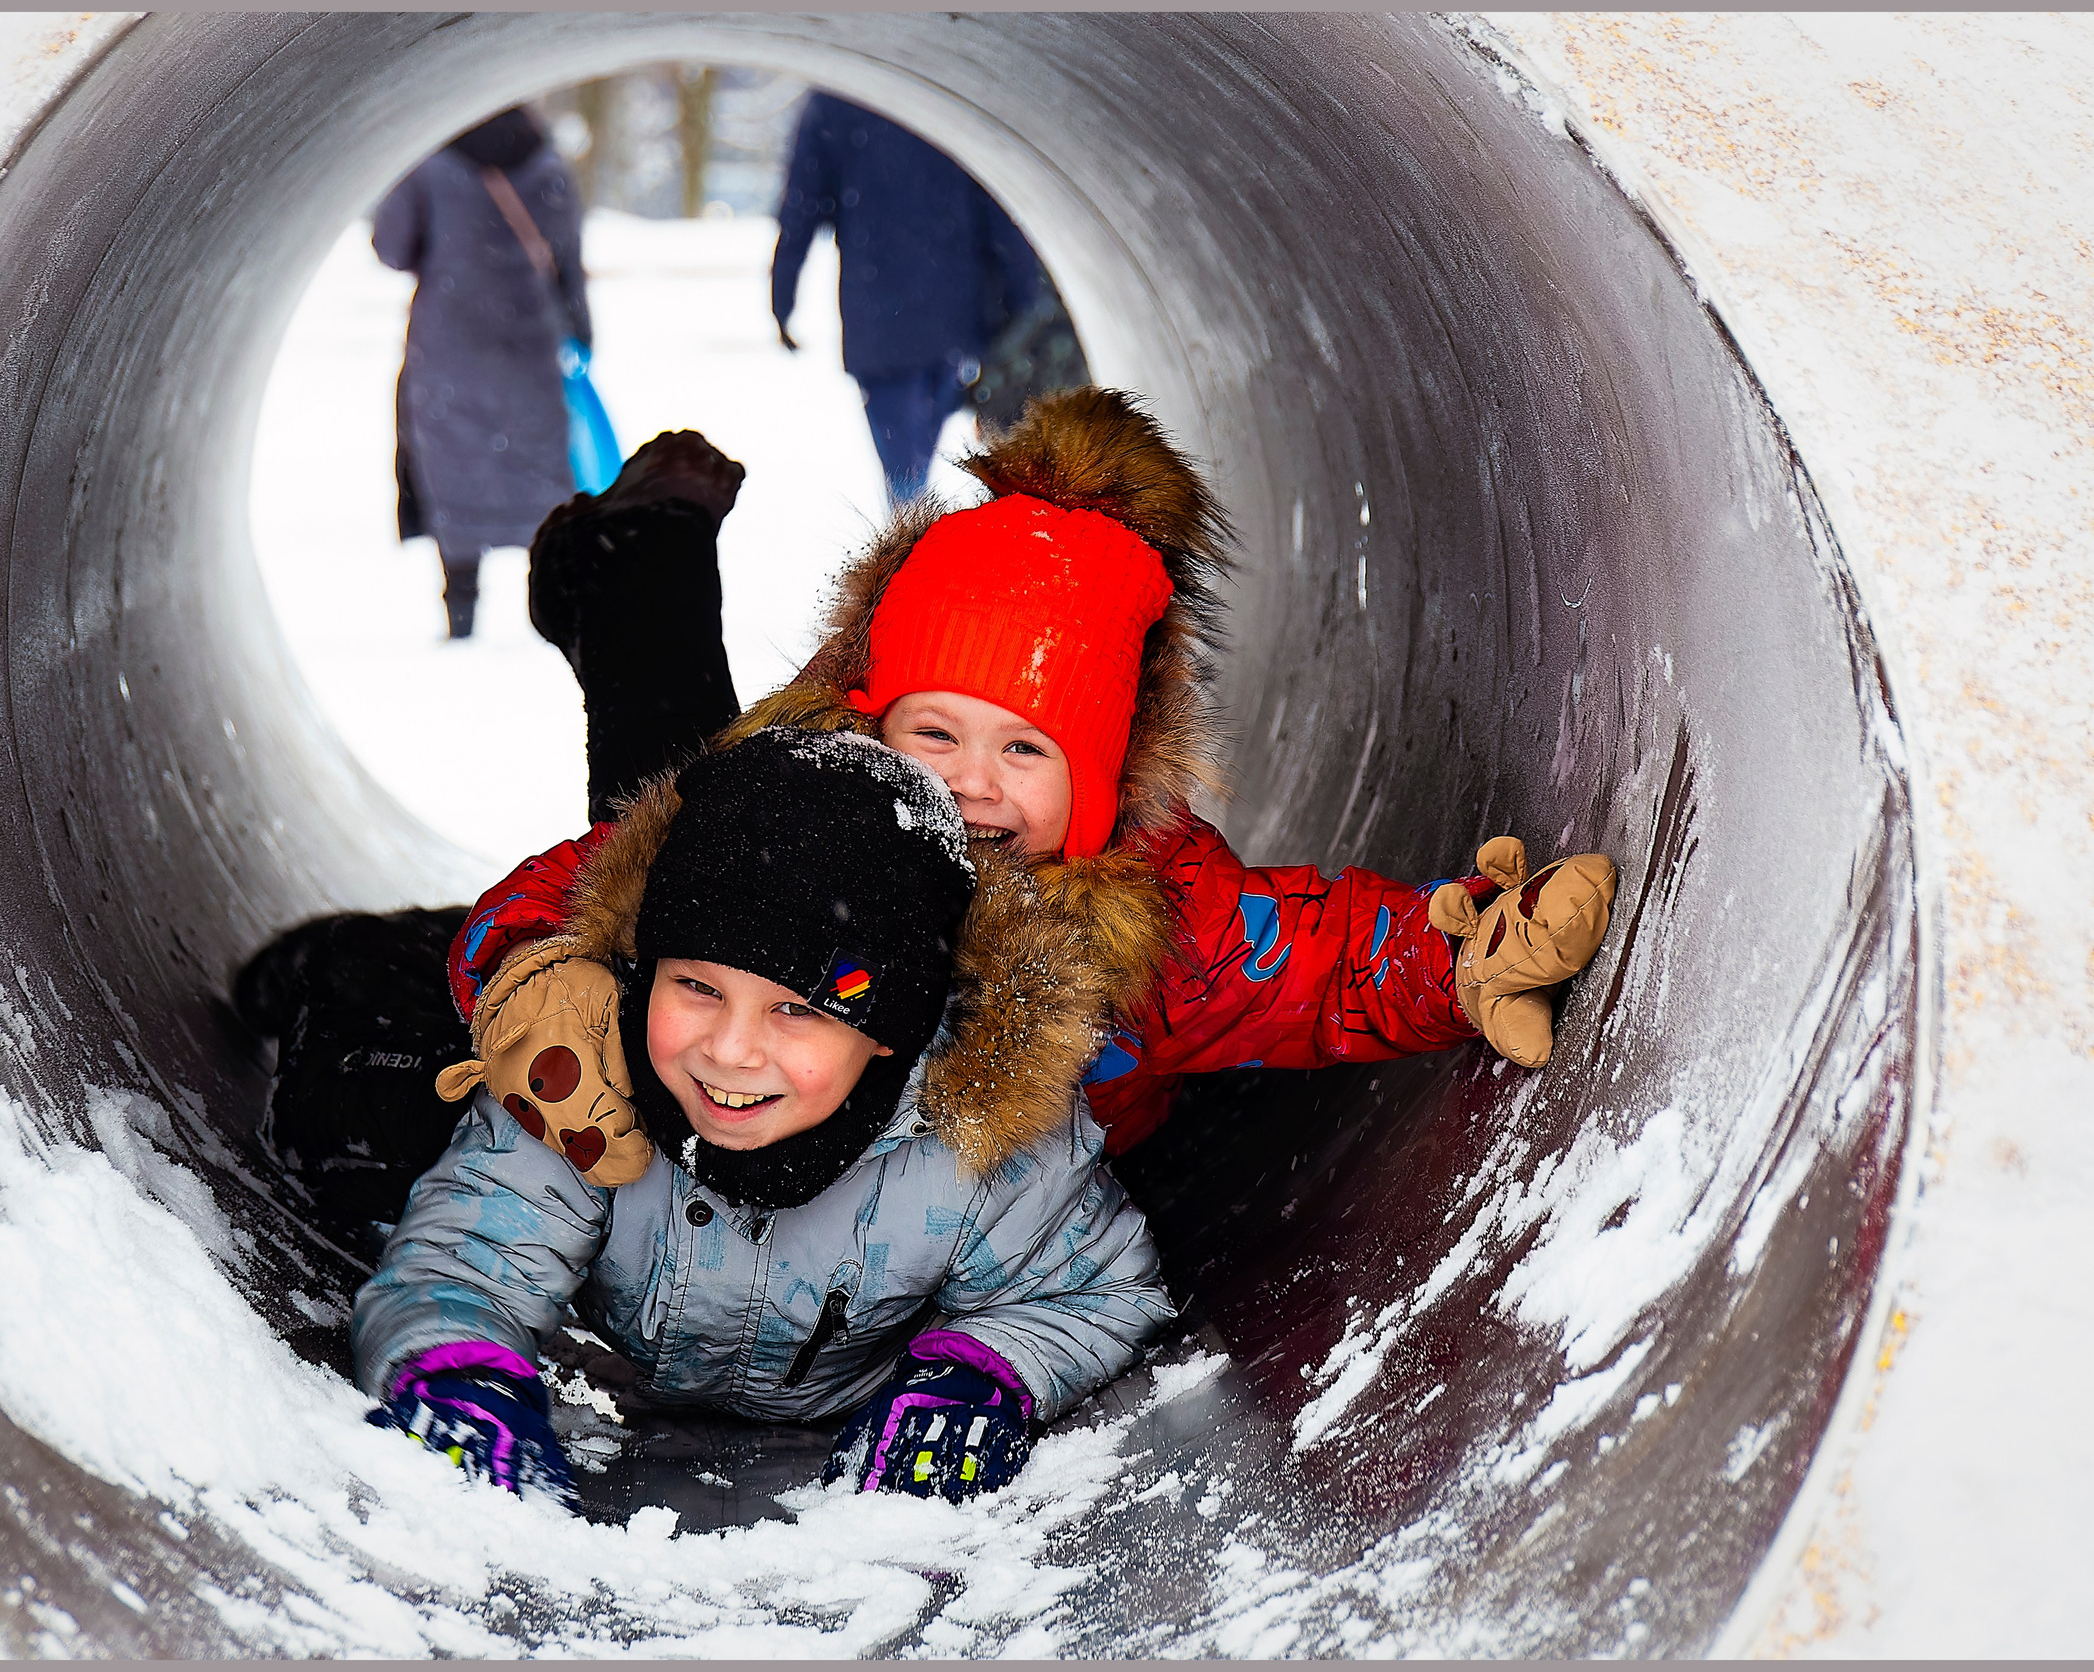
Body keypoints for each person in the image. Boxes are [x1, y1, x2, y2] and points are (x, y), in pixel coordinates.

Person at [455, 388, 1619, 1166]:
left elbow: (1313, 958)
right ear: (876, 729)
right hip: (757, 1056)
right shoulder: (795, 811)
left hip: (955, 1236)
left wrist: (1454, 954)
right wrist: (533, 975)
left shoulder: (1146, 917)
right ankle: (631, 564)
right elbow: (573, 889)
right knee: (677, 803)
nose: (973, 785)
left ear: (1102, 777)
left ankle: (633, 570)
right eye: (936, 741)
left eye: (1025, 750)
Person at [352, 726, 1173, 1510]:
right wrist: (461, 1372)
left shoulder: (976, 1137)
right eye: (698, 988)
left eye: (798, 1009)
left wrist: (975, 1378)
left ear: (892, 1030)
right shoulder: (587, 1085)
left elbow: (1093, 1290)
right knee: (368, 1108)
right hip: (449, 1114)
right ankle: (346, 967)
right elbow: (467, 1257)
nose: (733, 1050)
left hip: (839, 1394)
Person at [373, 106, 591, 638]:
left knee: (456, 468)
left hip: (448, 350)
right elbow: (568, 262)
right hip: (529, 350)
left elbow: (391, 248)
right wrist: (581, 336)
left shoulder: (430, 164)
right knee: (537, 473)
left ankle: (462, 608)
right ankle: (551, 612)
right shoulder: (548, 166)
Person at [770, 92, 1045, 503]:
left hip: (879, 319)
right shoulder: (947, 95)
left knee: (903, 468)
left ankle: (909, 542)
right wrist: (1024, 298)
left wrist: (782, 301)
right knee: (916, 455)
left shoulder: (836, 101)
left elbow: (800, 210)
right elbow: (996, 205)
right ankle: (916, 535)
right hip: (953, 316)